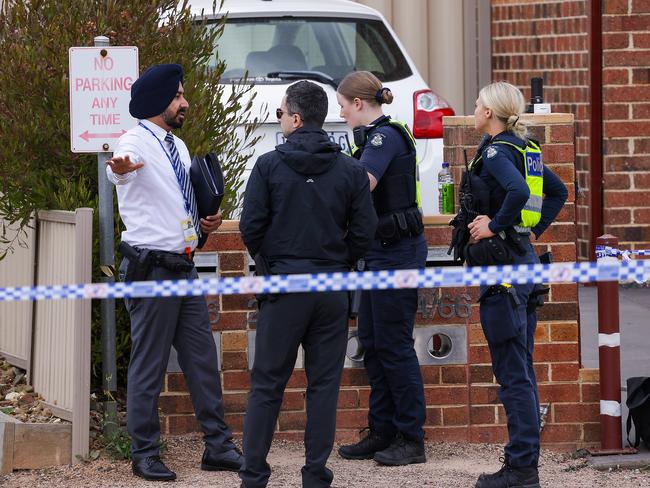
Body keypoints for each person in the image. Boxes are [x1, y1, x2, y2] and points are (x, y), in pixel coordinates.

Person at [106, 64, 242, 481]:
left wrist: (203, 223)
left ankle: (217, 447)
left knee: (202, 359)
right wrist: (120, 168)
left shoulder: (177, 147)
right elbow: (119, 166)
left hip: (183, 266)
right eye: (178, 96)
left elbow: (176, 204)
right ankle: (144, 452)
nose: (185, 102)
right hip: (151, 270)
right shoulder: (134, 142)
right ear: (157, 101)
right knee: (149, 364)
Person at [238, 80, 377, 488]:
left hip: (283, 288)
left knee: (266, 385)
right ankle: (315, 473)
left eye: (281, 113)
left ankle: (253, 475)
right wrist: (340, 260)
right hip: (332, 288)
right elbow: (364, 231)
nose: (279, 119)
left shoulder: (268, 165)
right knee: (323, 387)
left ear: (296, 118)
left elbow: (251, 227)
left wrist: (272, 263)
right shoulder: (350, 168)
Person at [450, 81, 567, 488]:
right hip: (524, 265)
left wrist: (495, 227)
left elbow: (517, 191)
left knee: (513, 372)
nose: (475, 106)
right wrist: (525, 233)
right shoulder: (526, 150)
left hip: (504, 272)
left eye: (479, 102)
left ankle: (521, 469)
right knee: (523, 368)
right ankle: (523, 465)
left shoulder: (499, 150)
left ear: (491, 112)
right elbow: (558, 192)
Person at [335, 71, 428, 466]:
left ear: (359, 104)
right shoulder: (374, 137)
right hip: (380, 254)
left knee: (394, 347)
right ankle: (383, 430)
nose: (341, 114)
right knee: (373, 344)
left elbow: (363, 183)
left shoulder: (383, 137)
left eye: (342, 106)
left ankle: (411, 438)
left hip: (397, 255)